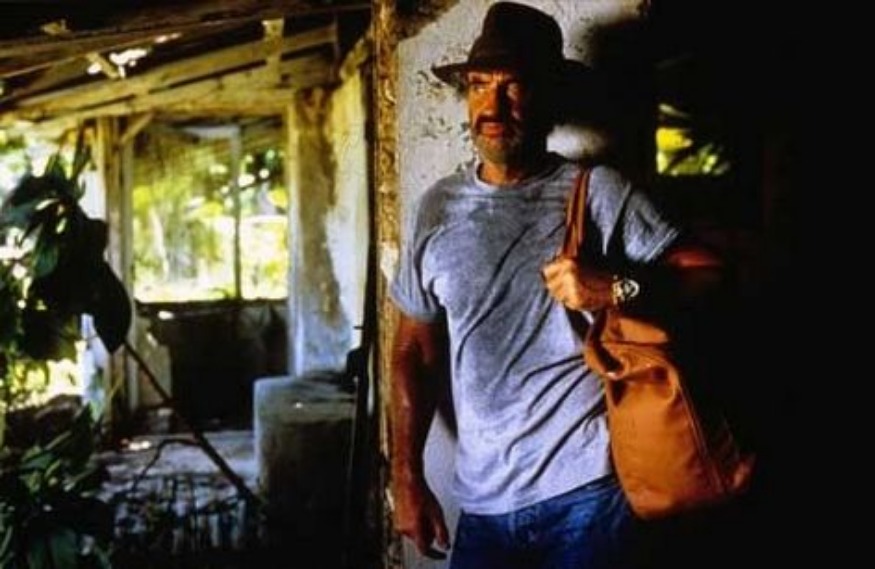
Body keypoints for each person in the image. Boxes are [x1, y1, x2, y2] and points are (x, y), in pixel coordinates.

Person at [388, 3, 723, 568]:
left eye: (513, 86)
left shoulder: (597, 192)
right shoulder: (436, 209)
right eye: (479, 85)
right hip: (482, 504)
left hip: (588, 498)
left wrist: (616, 289)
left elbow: (710, 274)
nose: (493, 107)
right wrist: (406, 477)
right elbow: (411, 351)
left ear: (547, 95)